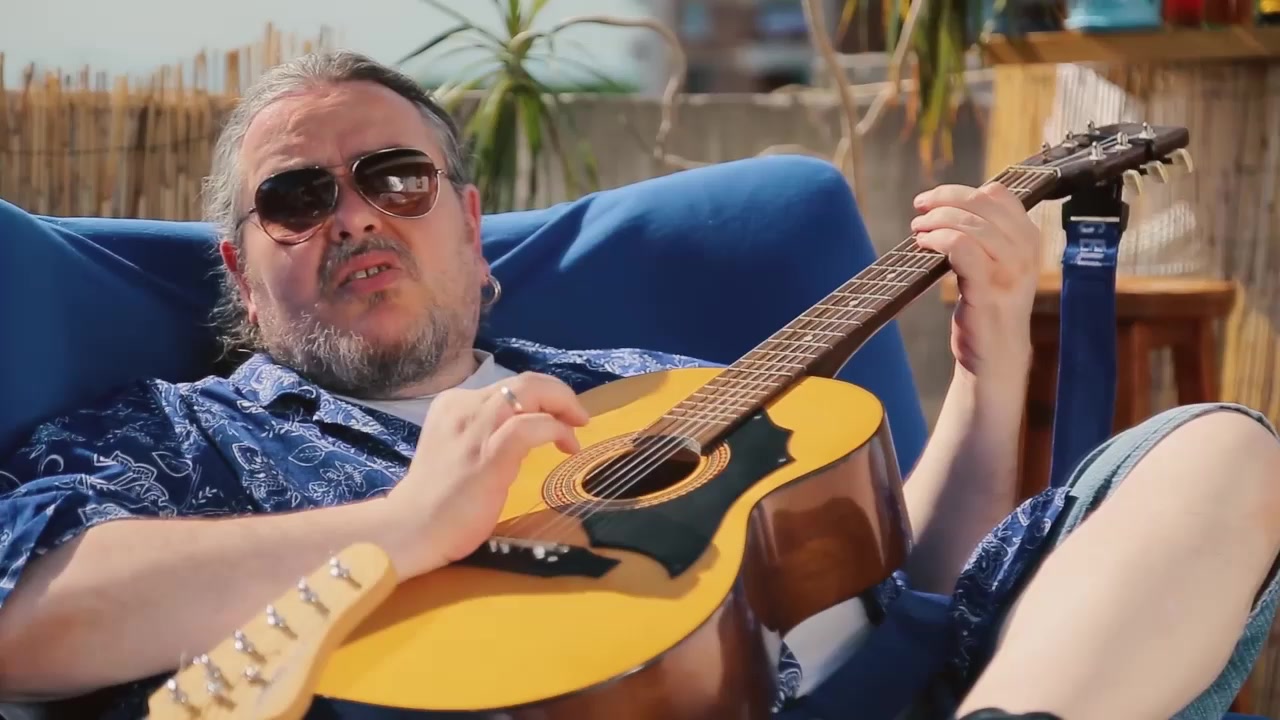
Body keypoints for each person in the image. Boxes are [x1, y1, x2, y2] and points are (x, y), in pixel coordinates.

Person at [0, 49, 1277, 720]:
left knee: (1219, 447)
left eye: (394, 178)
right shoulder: (179, 438)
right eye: (294, 197)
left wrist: (990, 366)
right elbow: (25, 618)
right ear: (239, 271)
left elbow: (914, 574)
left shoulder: (656, 389)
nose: (353, 215)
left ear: (471, 230)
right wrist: (402, 527)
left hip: (940, 694)